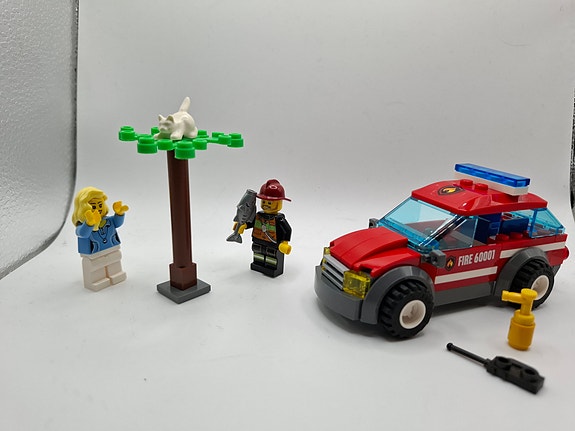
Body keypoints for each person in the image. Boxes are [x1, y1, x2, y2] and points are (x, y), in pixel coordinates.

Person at [71, 187, 129, 291]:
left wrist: (119, 214)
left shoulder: (107, 220)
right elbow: (82, 234)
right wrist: (89, 224)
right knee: (95, 265)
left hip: (112, 247)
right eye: (93, 206)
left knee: (114, 259)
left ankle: (116, 274)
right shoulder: (83, 225)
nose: (98, 208)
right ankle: (97, 280)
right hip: (93, 252)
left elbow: (117, 223)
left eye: (100, 205)